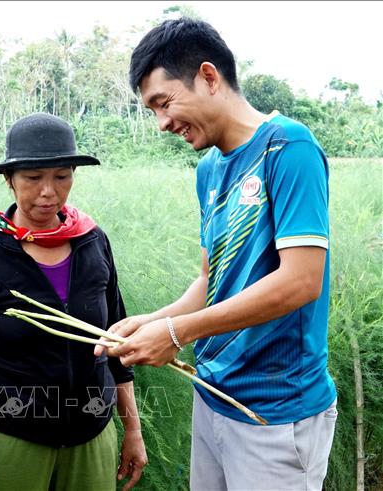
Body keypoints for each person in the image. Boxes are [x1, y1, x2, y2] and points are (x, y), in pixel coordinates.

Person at [96, 18, 338, 491]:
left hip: (275, 412)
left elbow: (300, 281)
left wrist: (175, 332)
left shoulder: (287, 148)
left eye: (163, 103)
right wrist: (151, 321)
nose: (163, 123)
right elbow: (212, 280)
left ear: (209, 76)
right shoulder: (209, 169)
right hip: (213, 396)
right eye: (152, 111)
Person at [0, 113, 147, 491]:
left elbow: (117, 342)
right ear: (9, 180)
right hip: (12, 436)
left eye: (62, 176)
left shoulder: (93, 242)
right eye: (33, 178)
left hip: (91, 431)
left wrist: (132, 429)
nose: (48, 192)